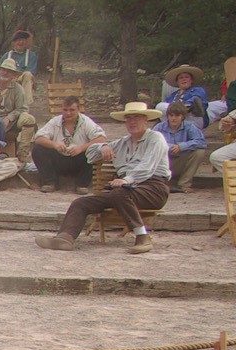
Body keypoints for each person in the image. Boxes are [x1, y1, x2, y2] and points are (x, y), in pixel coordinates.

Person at [35, 102, 170, 255]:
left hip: (153, 189)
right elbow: (91, 154)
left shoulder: (155, 138)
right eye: (129, 119)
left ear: (145, 120)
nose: (132, 122)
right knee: (81, 202)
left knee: (119, 193)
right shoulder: (123, 142)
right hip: (123, 191)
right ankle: (65, 238)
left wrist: (126, 180)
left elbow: (148, 167)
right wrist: (103, 146)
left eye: (137, 118)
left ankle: (142, 237)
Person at [31, 95, 107, 193]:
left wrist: (81, 148)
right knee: (38, 149)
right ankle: (50, 182)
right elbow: (39, 138)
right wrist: (55, 145)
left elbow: (102, 139)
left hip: (79, 161)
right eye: (65, 110)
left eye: (72, 110)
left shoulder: (86, 122)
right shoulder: (55, 121)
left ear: (78, 109)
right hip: (59, 160)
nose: (68, 113)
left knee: (95, 151)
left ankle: (82, 184)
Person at [154, 102, 208, 193]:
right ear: (167, 116)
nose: (173, 118)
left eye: (177, 115)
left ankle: (184, 184)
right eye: (171, 115)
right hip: (163, 162)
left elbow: (202, 142)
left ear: (182, 116)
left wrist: (182, 146)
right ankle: (160, 183)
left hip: (181, 161)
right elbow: (151, 143)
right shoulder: (159, 127)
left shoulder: (189, 127)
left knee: (199, 152)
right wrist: (169, 147)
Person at [4, 28, 38, 98]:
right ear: (14, 42)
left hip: (21, 78)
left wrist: (16, 77)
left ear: (26, 42)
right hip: (6, 78)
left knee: (28, 75)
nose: (20, 42)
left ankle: (25, 102)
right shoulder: (7, 55)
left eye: (23, 40)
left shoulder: (31, 55)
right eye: (18, 40)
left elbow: (31, 72)